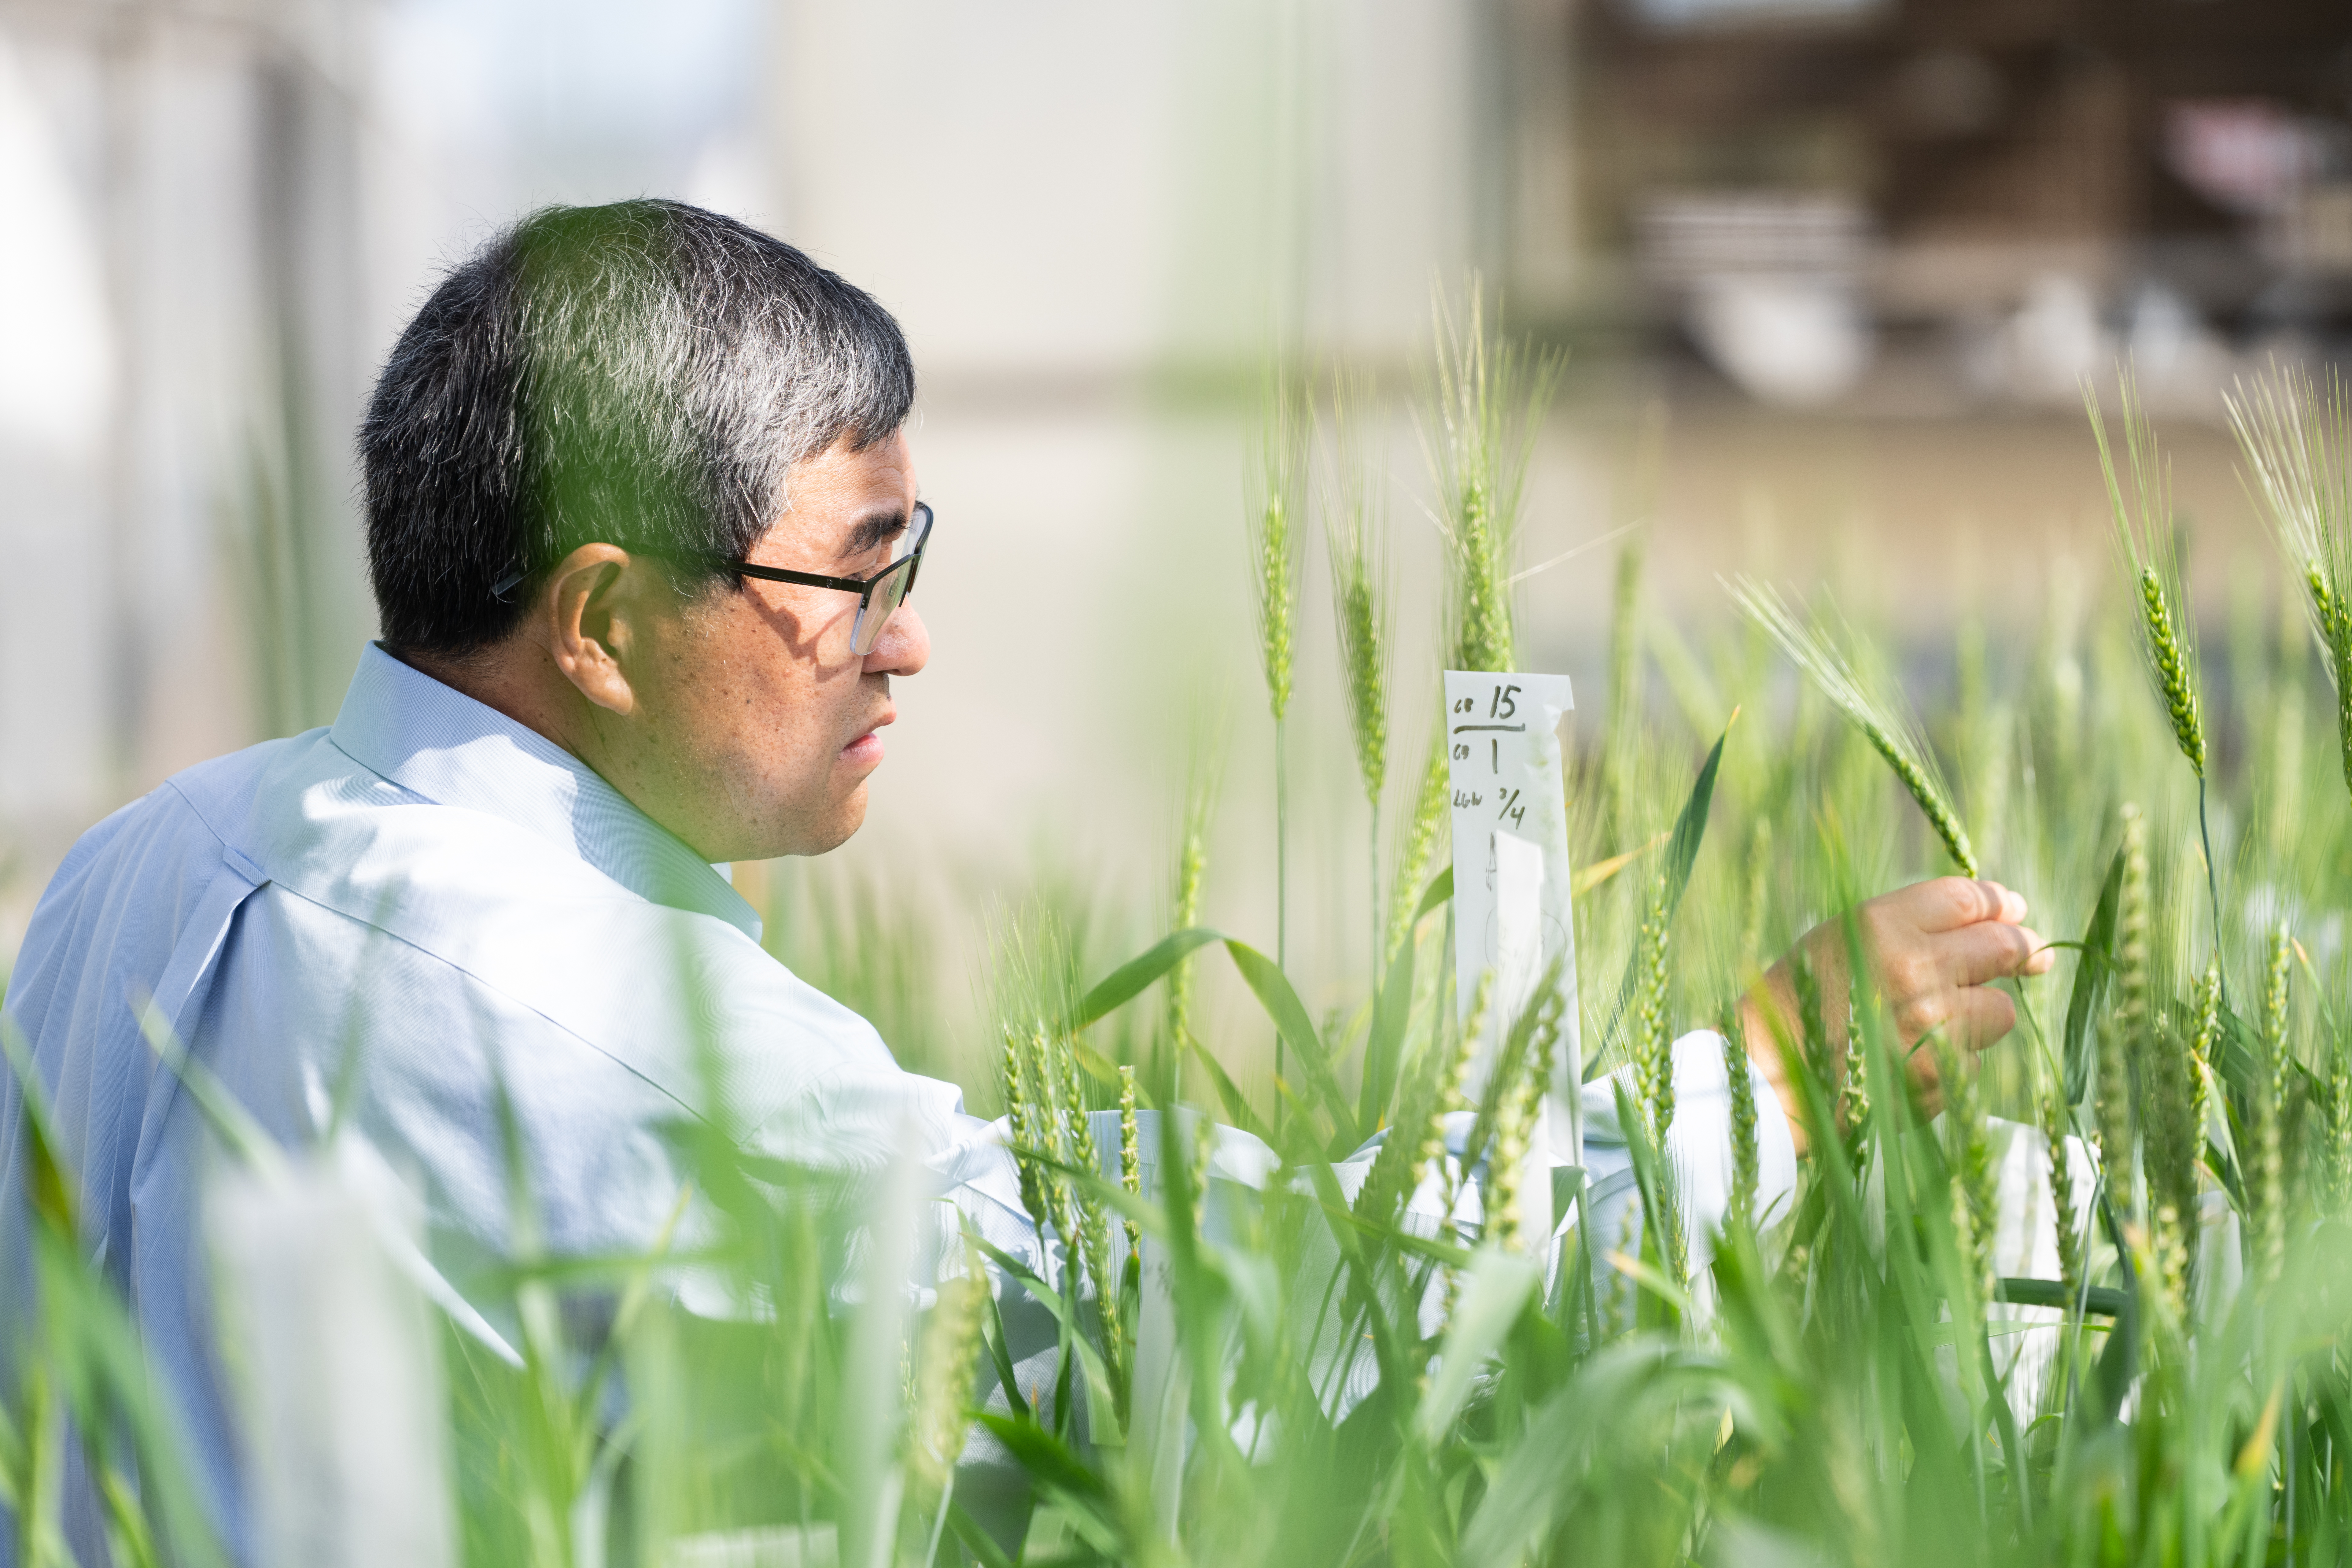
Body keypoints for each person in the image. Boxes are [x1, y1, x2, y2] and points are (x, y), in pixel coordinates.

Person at [0, 200, 2052, 1562]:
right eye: (854, 572)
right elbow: (1246, 1328)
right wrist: (1759, 1090)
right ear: (604, 618)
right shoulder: (597, 1031)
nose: (903, 639)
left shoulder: (142, 866)